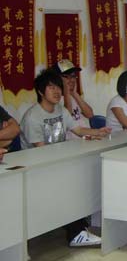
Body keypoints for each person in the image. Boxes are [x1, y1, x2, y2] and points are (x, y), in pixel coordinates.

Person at [20, 69, 111, 247]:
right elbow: (40, 150)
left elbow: (78, 130)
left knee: (80, 177)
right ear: (40, 91)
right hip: (35, 170)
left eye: (58, 87)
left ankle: (79, 227)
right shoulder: (33, 117)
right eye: (51, 88)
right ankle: (76, 232)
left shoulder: (61, 110)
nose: (57, 92)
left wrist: (97, 132)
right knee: (69, 183)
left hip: (56, 164)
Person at [51, 59, 94, 140]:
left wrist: (75, 93)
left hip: (86, 139)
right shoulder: (54, 99)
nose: (72, 80)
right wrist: (66, 92)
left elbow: (90, 114)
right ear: (57, 79)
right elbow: (67, 119)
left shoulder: (74, 96)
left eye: (73, 76)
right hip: (70, 143)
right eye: (67, 77)